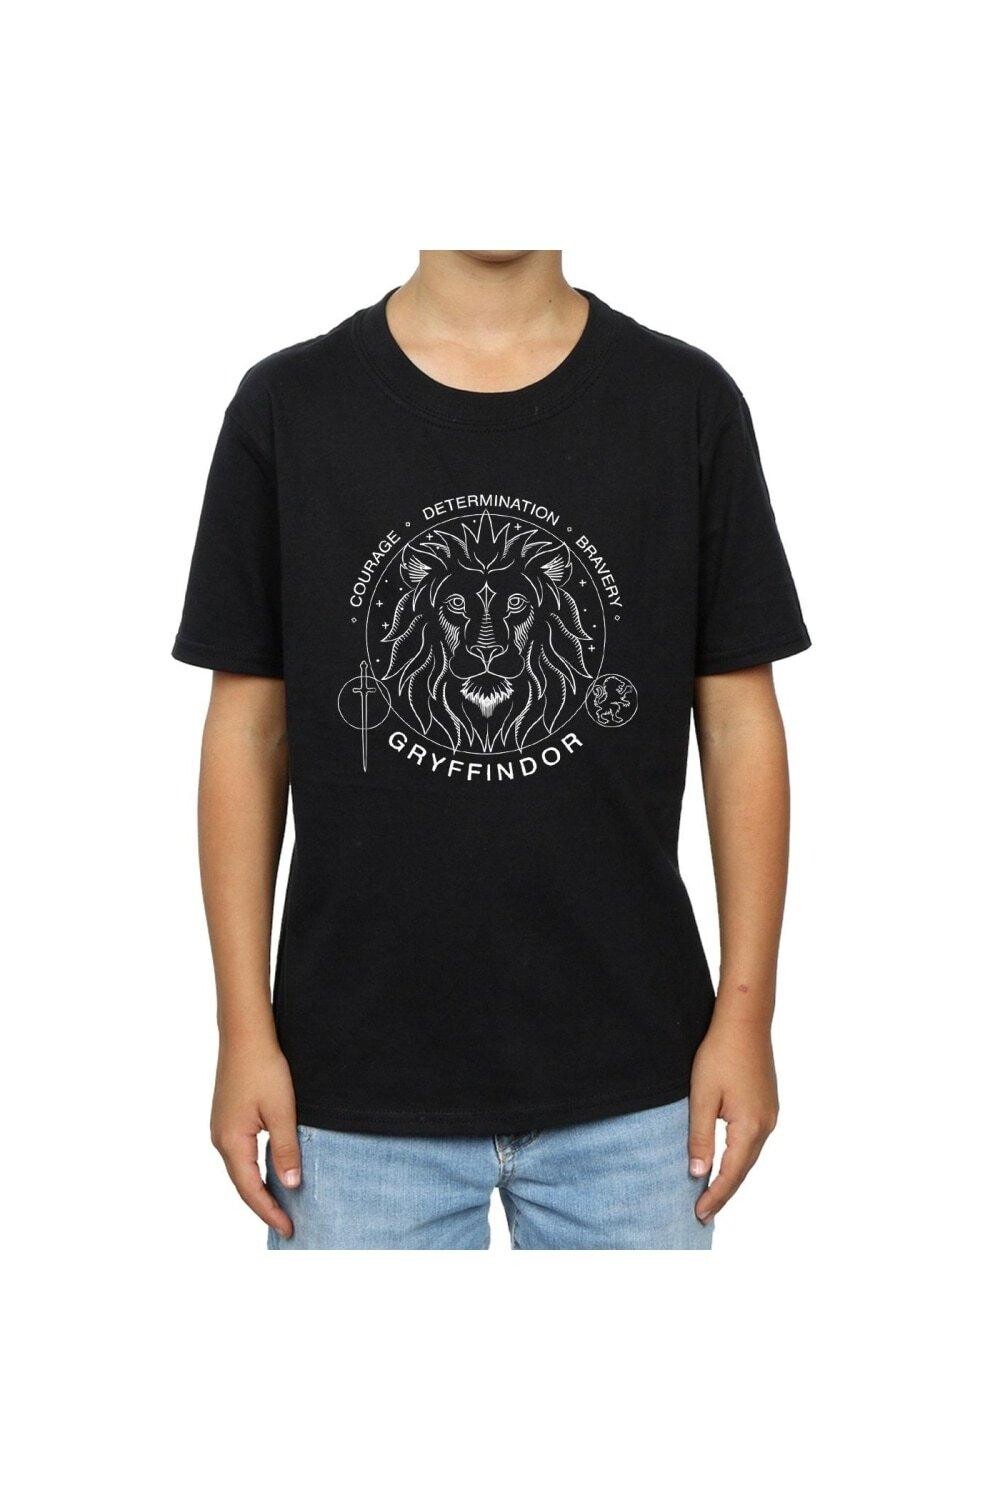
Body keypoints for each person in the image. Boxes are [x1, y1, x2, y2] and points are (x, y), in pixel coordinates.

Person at [174, 250, 809, 1250]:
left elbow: (739, 724)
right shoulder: (290, 407)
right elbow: (248, 731)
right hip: (348, 1090)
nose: (482, 642)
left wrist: (747, 1017)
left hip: (643, 1087)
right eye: (458, 616)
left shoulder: (683, 402)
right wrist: (241, 1031)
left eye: (510, 616)